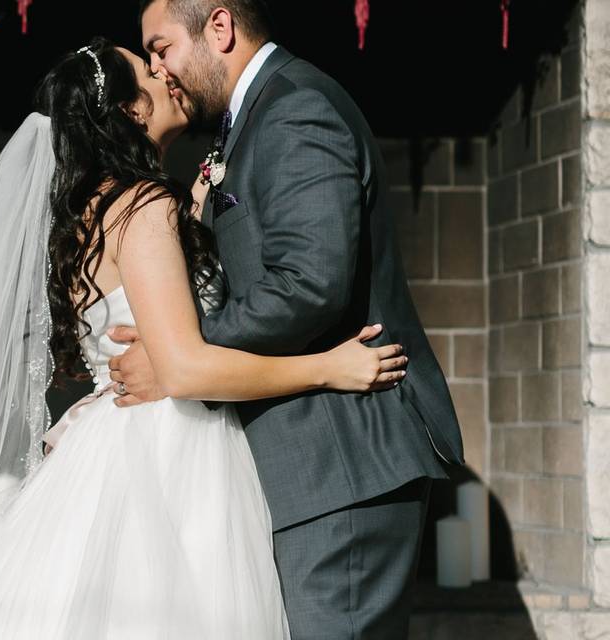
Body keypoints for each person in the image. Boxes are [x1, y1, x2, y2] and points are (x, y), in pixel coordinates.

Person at [0, 38, 408, 640]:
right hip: (171, 452)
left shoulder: (95, 214)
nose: (166, 76)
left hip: (117, 442)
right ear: (131, 111)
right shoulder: (143, 208)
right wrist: (329, 368)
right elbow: (185, 370)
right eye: (150, 69)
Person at [103, 1, 467, 638]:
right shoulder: (250, 123)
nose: (161, 71)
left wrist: (177, 353)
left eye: (162, 48)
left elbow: (309, 284)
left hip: (344, 460)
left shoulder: (295, 108)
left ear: (219, 28)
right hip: (303, 468)